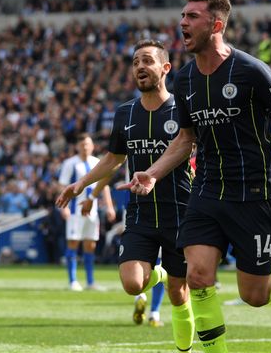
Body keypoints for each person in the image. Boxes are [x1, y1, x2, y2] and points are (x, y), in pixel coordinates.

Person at [120, 0, 271, 353]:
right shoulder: (184, 80)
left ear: (216, 24)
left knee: (255, 295)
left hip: (254, 195)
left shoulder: (250, 70)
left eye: (192, 17)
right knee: (198, 276)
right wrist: (153, 173)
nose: (183, 23)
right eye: (183, 15)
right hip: (205, 193)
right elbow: (185, 140)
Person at [56, 40, 195, 351]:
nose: (140, 67)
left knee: (178, 293)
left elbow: (192, 149)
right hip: (141, 213)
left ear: (165, 68)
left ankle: (184, 348)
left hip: (180, 211)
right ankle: (158, 274)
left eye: (147, 61)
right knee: (132, 284)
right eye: (135, 63)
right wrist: (81, 186)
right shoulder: (125, 113)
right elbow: (113, 159)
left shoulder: (182, 109)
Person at [57, 132, 116, 291]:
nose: (85, 147)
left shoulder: (97, 162)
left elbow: (105, 185)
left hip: (93, 211)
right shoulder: (70, 163)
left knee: (90, 244)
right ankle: (73, 281)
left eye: (87, 144)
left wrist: (109, 206)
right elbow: (62, 185)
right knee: (73, 243)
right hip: (75, 211)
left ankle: (90, 282)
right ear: (77, 146)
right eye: (82, 145)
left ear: (92, 146)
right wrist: (65, 208)